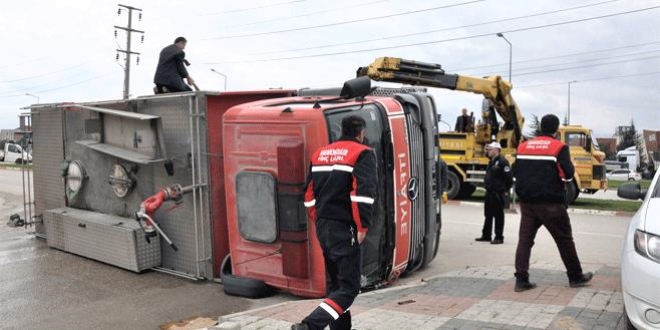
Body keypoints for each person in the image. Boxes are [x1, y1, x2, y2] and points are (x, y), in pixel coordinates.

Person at [293, 115, 378, 330]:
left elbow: (309, 193)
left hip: (324, 225)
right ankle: (310, 326)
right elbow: (362, 194)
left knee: (336, 284)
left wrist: (317, 217)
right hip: (345, 227)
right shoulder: (363, 153)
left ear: (343, 130)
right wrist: (362, 226)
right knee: (349, 288)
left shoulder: (320, 153)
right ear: (361, 133)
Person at [512, 114, 593, 292]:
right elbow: (569, 174)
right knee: (564, 240)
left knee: (525, 241)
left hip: (527, 203)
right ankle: (575, 276)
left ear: (541, 127)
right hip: (551, 204)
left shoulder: (523, 146)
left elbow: (515, 171)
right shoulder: (559, 147)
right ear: (556, 130)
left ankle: (521, 280)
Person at [475, 142, 512, 245]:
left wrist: (503, 190)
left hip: (497, 193)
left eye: (490, 149)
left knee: (498, 216)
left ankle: (499, 237)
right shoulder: (491, 161)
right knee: (488, 215)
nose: (488, 151)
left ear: (496, 150)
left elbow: (509, 179)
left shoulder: (502, 162)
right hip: (490, 192)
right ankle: (486, 235)